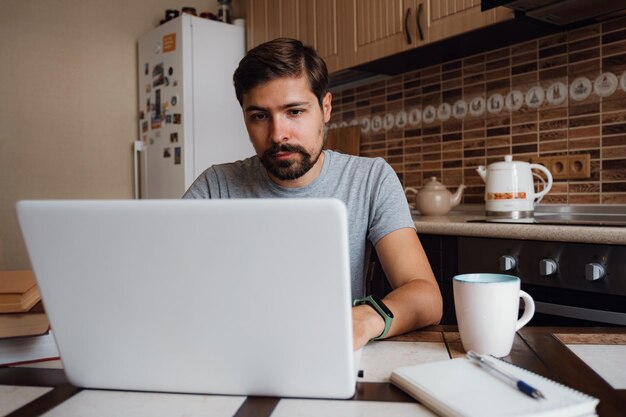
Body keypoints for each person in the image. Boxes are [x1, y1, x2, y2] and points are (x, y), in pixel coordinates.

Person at [183, 38, 442, 350]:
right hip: (233, 352)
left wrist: (365, 320)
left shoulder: (369, 179)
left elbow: (426, 296)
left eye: (294, 111)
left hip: (327, 353)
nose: (278, 134)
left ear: (326, 108)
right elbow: (165, 284)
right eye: (260, 116)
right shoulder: (216, 186)